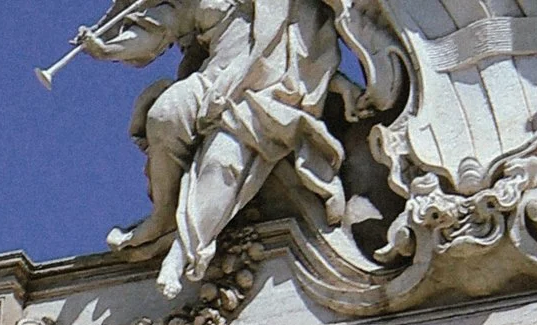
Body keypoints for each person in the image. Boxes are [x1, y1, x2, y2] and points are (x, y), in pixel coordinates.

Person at [68, 0, 351, 302]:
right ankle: (164, 214)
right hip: (214, 79)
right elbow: (159, 27)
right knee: (165, 115)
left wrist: (339, 84)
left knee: (222, 161)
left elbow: (313, 45)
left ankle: (183, 250)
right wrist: (107, 49)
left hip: (266, 89)